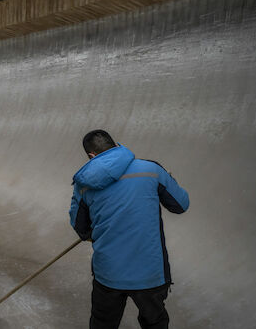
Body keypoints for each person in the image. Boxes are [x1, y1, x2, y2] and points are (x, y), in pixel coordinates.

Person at [69, 130, 189, 329]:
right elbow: (180, 204)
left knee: (102, 323)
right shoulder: (151, 170)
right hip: (149, 272)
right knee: (155, 323)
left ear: (91, 156)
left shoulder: (83, 185)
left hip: (108, 273)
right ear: (116, 145)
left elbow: (81, 229)